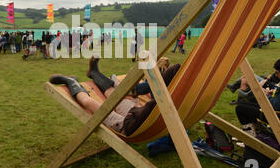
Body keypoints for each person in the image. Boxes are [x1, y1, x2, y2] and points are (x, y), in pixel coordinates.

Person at [49, 56, 181, 136]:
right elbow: (175, 69)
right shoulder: (176, 102)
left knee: (90, 103)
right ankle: (94, 73)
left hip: (128, 125)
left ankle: (71, 82)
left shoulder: (162, 101)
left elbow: (175, 69)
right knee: (115, 95)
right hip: (140, 115)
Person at [234, 55, 280, 137]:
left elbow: (276, 106)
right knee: (246, 104)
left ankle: (251, 138)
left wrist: (265, 94)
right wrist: (272, 93)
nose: (276, 75)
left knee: (240, 109)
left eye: (277, 72)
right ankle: (253, 133)